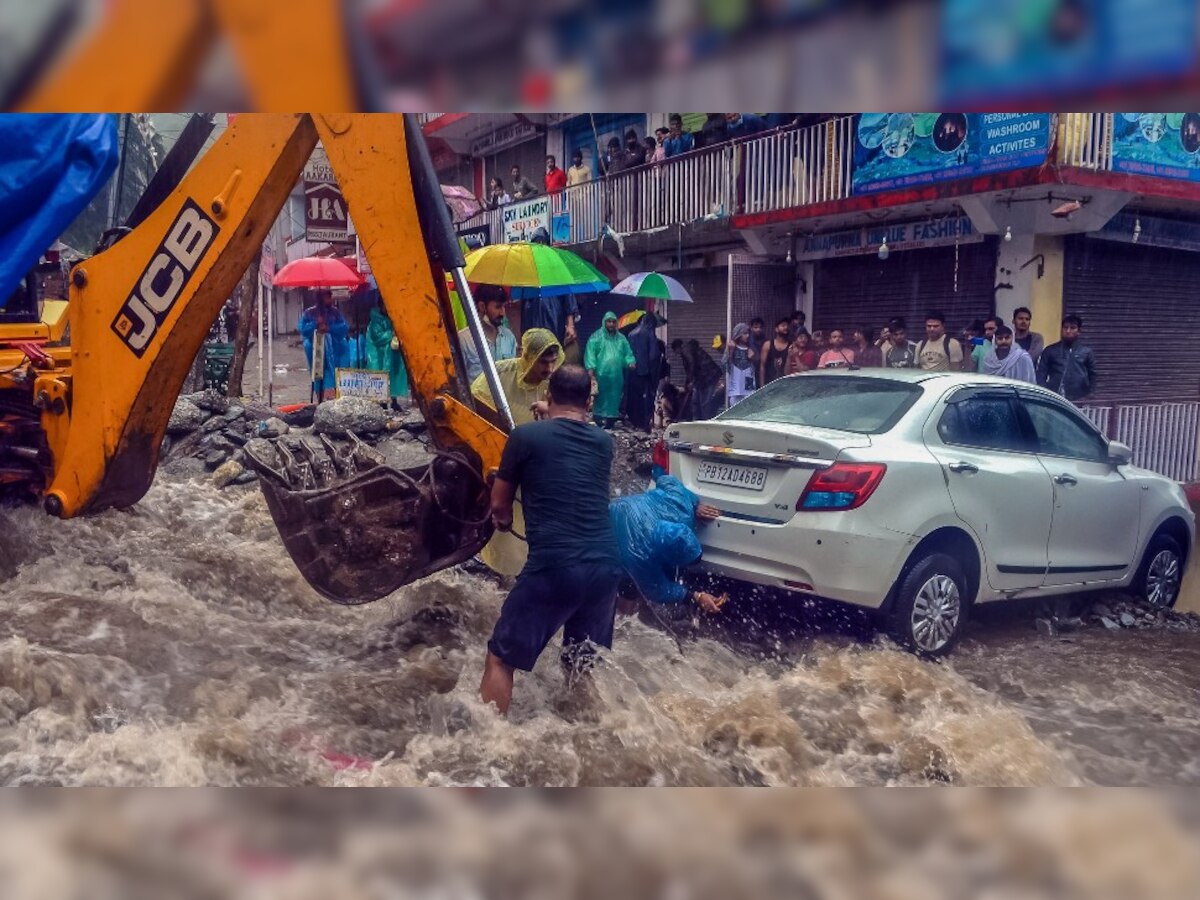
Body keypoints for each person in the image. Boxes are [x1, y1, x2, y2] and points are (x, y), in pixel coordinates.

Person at [480, 365, 622, 715]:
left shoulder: (525, 438)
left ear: (548, 393)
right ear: (589, 400)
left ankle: (484, 741)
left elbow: (499, 504)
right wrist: (551, 411)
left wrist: (501, 519)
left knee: (500, 659)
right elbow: (572, 431)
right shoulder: (604, 443)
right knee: (579, 665)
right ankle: (590, 732)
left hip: (555, 566)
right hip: (605, 569)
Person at [610, 473, 725, 615]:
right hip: (608, 528)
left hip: (623, 505)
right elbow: (657, 589)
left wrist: (696, 504)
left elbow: (666, 479)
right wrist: (696, 596)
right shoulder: (641, 556)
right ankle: (623, 619)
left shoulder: (681, 505)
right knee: (629, 581)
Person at [471, 327, 564, 426]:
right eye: (543, 362)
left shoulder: (556, 382)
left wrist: (551, 410)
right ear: (527, 357)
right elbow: (475, 399)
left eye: (553, 361)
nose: (550, 369)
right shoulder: (500, 372)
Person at [457, 284, 518, 384]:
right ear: (482, 306)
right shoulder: (464, 340)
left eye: (504, 307)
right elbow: (458, 380)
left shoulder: (509, 337)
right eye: (498, 307)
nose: (502, 313)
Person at [584, 311, 637, 428]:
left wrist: (630, 361)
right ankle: (599, 418)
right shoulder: (596, 337)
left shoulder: (621, 339)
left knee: (615, 397)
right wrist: (591, 369)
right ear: (604, 322)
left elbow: (628, 352)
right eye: (609, 321)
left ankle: (611, 420)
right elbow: (590, 353)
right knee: (600, 397)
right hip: (600, 375)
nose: (611, 324)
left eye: (613, 321)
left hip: (616, 376)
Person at [298, 290, 350, 401]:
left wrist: (329, 328)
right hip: (316, 347)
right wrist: (315, 323)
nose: (330, 300)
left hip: (334, 349)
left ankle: (332, 397)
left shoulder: (335, 313)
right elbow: (303, 330)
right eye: (327, 297)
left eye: (330, 297)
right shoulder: (309, 313)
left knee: (333, 372)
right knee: (317, 373)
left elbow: (344, 327)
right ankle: (319, 399)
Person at [1037, 314, 1097, 401]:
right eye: (1065, 327)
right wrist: (1043, 393)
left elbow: (1093, 374)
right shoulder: (1050, 350)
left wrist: (1091, 393)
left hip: (1079, 399)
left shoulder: (1086, 352)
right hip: (1054, 397)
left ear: (1079, 331)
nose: (1068, 331)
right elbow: (1041, 373)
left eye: (1072, 328)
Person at [365, 297, 409, 410]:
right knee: (381, 377)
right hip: (378, 356)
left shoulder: (391, 317)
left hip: (390, 353)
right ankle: (382, 403)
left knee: (393, 375)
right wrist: (391, 333)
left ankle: (394, 401)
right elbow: (377, 337)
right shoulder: (375, 320)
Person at [626, 311, 663, 432]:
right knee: (646, 399)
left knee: (634, 398)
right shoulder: (649, 333)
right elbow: (653, 356)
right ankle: (644, 423)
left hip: (632, 372)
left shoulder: (631, 334)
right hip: (646, 372)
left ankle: (635, 422)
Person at [723, 322, 757, 406]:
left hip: (748, 382)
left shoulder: (750, 348)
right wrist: (731, 351)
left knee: (749, 404)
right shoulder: (732, 347)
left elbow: (754, 369)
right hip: (736, 385)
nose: (747, 336)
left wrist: (752, 358)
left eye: (748, 333)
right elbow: (724, 364)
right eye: (744, 333)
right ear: (738, 334)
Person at [759, 317, 792, 386]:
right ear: (776, 329)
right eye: (783, 325)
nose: (786, 328)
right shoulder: (767, 345)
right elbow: (762, 366)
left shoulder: (791, 346)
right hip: (769, 384)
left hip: (785, 385)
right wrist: (761, 386)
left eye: (787, 326)